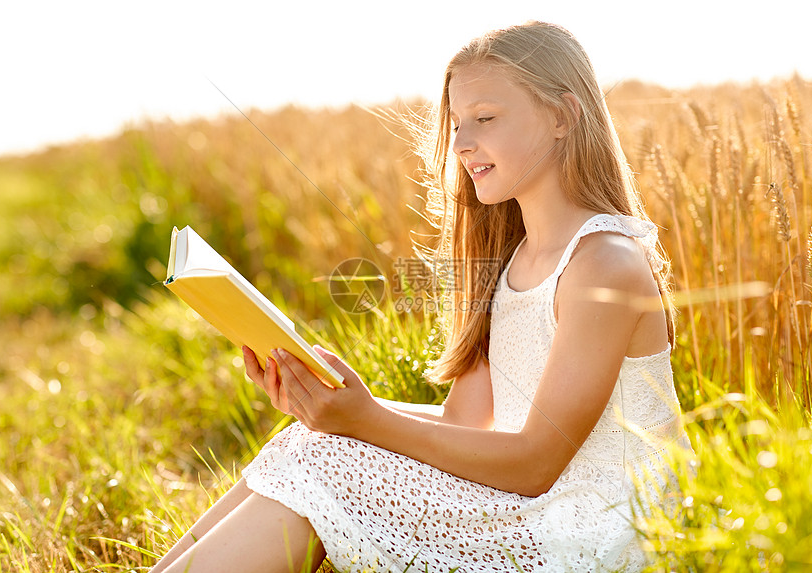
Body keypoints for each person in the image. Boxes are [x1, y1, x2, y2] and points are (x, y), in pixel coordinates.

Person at [152, 20, 692, 573]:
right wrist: (332, 404)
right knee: (304, 445)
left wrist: (364, 421)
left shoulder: (605, 263)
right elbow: (465, 423)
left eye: (485, 118)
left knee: (321, 463)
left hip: (604, 533)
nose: (460, 143)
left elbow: (536, 462)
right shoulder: (511, 263)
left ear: (562, 116)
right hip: (539, 511)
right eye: (458, 123)